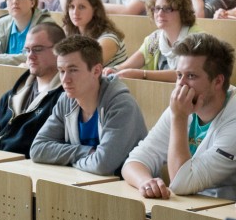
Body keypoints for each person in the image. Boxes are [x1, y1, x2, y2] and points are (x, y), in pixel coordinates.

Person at [122, 33, 236, 200]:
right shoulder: (182, 109)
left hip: (234, 217)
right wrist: (146, 182)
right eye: (179, 75)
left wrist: (179, 118)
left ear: (217, 81)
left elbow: (182, 184)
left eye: (191, 76)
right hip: (194, 209)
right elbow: (133, 162)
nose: (181, 84)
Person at [30, 35, 148, 176]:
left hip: (127, 190)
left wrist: (71, 161)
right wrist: (87, 152)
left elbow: (102, 165)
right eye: (61, 71)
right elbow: (38, 149)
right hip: (88, 183)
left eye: (73, 70)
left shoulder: (121, 105)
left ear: (96, 71)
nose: (65, 79)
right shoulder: (65, 101)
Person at [0, 23, 67, 157]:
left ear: (59, 50)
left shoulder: (65, 98)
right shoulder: (10, 96)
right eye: (27, 50)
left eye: (37, 49)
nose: (30, 56)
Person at [103, 0, 199, 83]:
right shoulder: (154, 39)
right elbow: (126, 65)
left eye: (168, 9)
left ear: (183, 12)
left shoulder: (197, 40)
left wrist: (142, 74)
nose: (160, 13)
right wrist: (115, 69)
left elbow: (185, 75)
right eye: (157, 8)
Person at [63, 0, 127, 68]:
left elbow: (85, 68)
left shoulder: (109, 39)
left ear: (95, 10)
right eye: (72, 7)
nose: (75, 12)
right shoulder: (69, 32)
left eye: (82, 7)